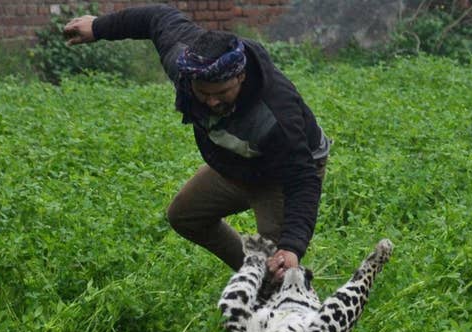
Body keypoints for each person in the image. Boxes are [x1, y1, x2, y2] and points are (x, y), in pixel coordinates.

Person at [64, 5, 330, 281]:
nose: (212, 101)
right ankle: (255, 277)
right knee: (185, 215)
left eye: (222, 93)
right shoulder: (185, 64)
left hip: (282, 174)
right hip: (238, 162)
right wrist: (98, 28)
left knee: (279, 266)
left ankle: (286, 299)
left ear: (240, 76)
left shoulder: (275, 115)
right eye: (203, 93)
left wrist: (292, 247)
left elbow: (302, 179)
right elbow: (157, 18)